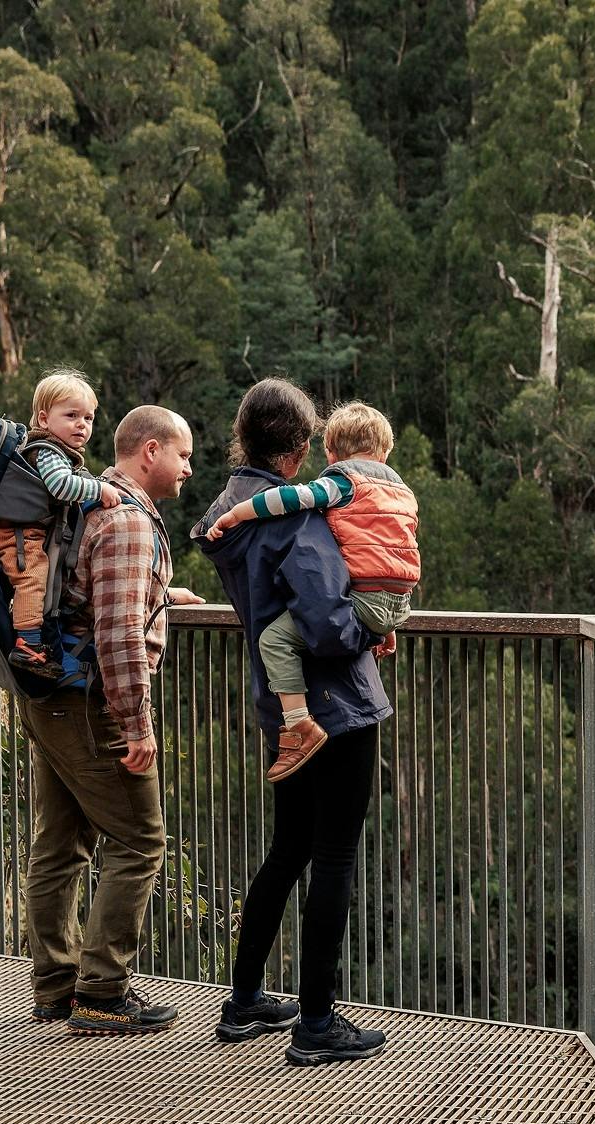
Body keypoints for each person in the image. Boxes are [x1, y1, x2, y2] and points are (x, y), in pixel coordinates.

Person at [192, 377, 393, 1066]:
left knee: (287, 850)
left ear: (242, 437)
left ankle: (244, 1000)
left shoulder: (229, 506)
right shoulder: (297, 519)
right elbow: (331, 627)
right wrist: (375, 629)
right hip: (338, 705)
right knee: (333, 857)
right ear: (300, 449)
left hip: (280, 703)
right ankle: (316, 1021)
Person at [22, 403, 203, 1035]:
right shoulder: (126, 521)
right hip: (93, 700)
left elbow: (100, 594)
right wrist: (137, 725)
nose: (188, 468)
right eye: (182, 455)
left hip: (49, 690)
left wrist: (161, 592)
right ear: (149, 452)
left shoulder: (85, 505)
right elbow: (120, 637)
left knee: (61, 841)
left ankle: (54, 987)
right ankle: (101, 990)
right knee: (139, 841)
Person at [204, 400, 419, 781]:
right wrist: (383, 624)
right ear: (387, 451)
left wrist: (239, 513)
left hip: (291, 694)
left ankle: (298, 722)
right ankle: (301, 724)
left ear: (328, 451)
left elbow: (290, 498)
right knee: (337, 840)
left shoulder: (338, 486)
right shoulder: (400, 491)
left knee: (274, 641)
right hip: (391, 606)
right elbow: (376, 563)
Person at [0, 369, 122, 677]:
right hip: (17, 533)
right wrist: (100, 489)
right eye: (72, 415)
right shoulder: (48, 451)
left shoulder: (60, 452)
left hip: (27, 530)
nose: (81, 424)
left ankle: (35, 641)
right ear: (44, 418)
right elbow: (61, 487)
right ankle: (28, 646)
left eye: (88, 418)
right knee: (32, 578)